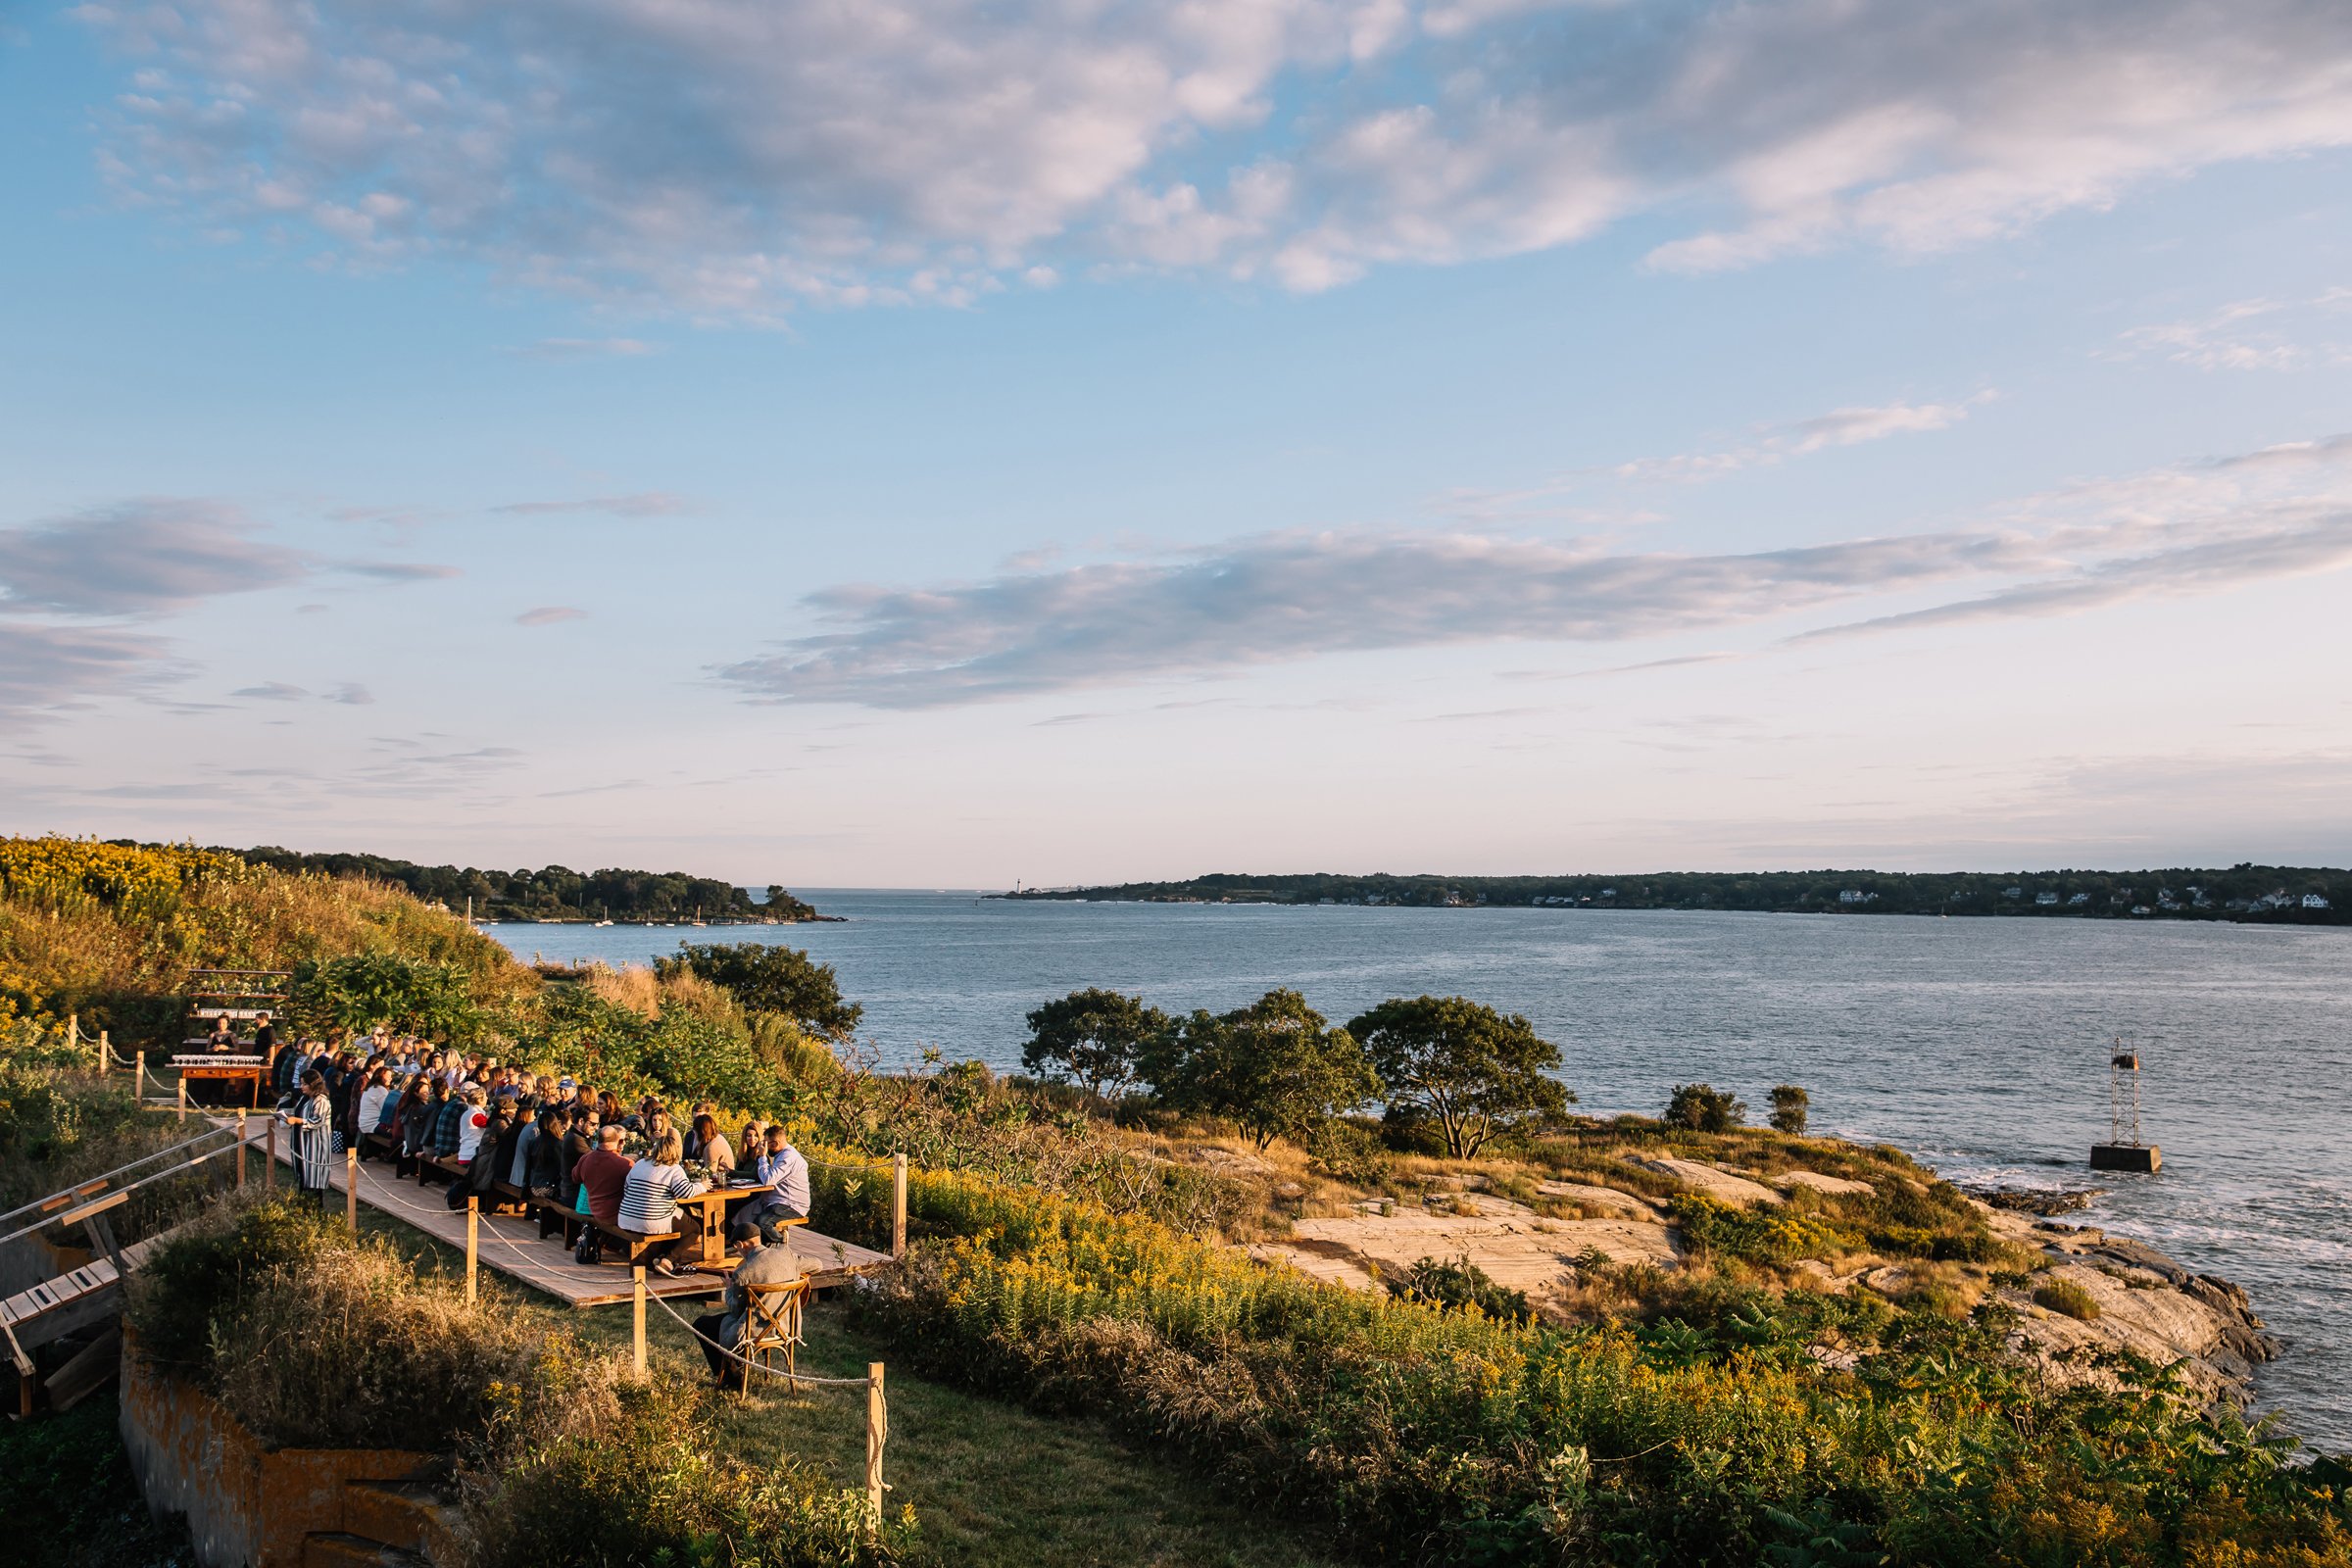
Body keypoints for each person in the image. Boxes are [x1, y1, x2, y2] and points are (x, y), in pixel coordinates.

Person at [693, 1218, 806, 1389]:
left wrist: (730, 1289)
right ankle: (735, 1368)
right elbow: (817, 1265)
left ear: (740, 1244)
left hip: (756, 1330)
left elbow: (736, 1310)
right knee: (722, 1323)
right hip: (785, 1327)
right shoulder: (786, 1254)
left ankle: (731, 1378)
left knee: (703, 1324)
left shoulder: (743, 1272)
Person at [617, 1131, 707, 1276]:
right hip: (651, 1220)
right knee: (694, 1228)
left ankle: (661, 1257)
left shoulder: (640, 1163)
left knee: (678, 1219)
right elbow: (686, 1193)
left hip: (626, 1217)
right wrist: (702, 1185)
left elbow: (627, 1187)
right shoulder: (673, 1169)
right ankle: (669, 1260)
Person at [283, 1069, 334, 1212]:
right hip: (303, 1143)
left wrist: (297, 1120)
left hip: (315, 1146)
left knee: (314, 1181)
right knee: (304, 1178)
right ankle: (303, 1209)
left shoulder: (321, 1100)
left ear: (313, 1084)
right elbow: (299, 1112)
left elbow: (317, 1120)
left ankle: (316, 1212)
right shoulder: (305, 1098)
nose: (302, 1087)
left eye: (305, 1084)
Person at [573, 1124, 634, 1228]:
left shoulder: (586, 1158)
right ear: (618, 1140)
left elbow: (575, 1178)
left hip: (594, 1210)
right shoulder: (625, 1164)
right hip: (616, 1215)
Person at [453, 1086, 492, 1164]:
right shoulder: (476, 1115)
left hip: (464, 1153)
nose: (487, 1098)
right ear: (479, 1100)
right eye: (485, 1096)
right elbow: (491, 1125)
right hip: (472, 1155)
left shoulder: (466, 1113)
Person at [690, 1113, 735, 1180]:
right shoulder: (718, 1138)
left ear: (700, 1132)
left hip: (723, 1183)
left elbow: (710, 1174)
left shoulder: (711, 1147)